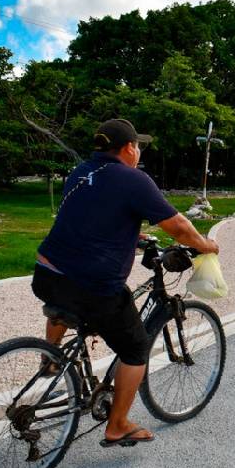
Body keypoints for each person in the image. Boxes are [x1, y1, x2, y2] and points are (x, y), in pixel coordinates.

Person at [32, 118, 219, 447]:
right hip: (90, 287)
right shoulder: (134, 179)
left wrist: (133, 233)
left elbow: (88, 218)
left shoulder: (80, 172)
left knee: (68, 304)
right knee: (134, 348)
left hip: (46, 274)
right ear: (129, 147)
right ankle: (117, 424)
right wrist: (206, 245)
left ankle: (51, 358)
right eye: (138, 146)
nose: (139, 152)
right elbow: (177, 225)